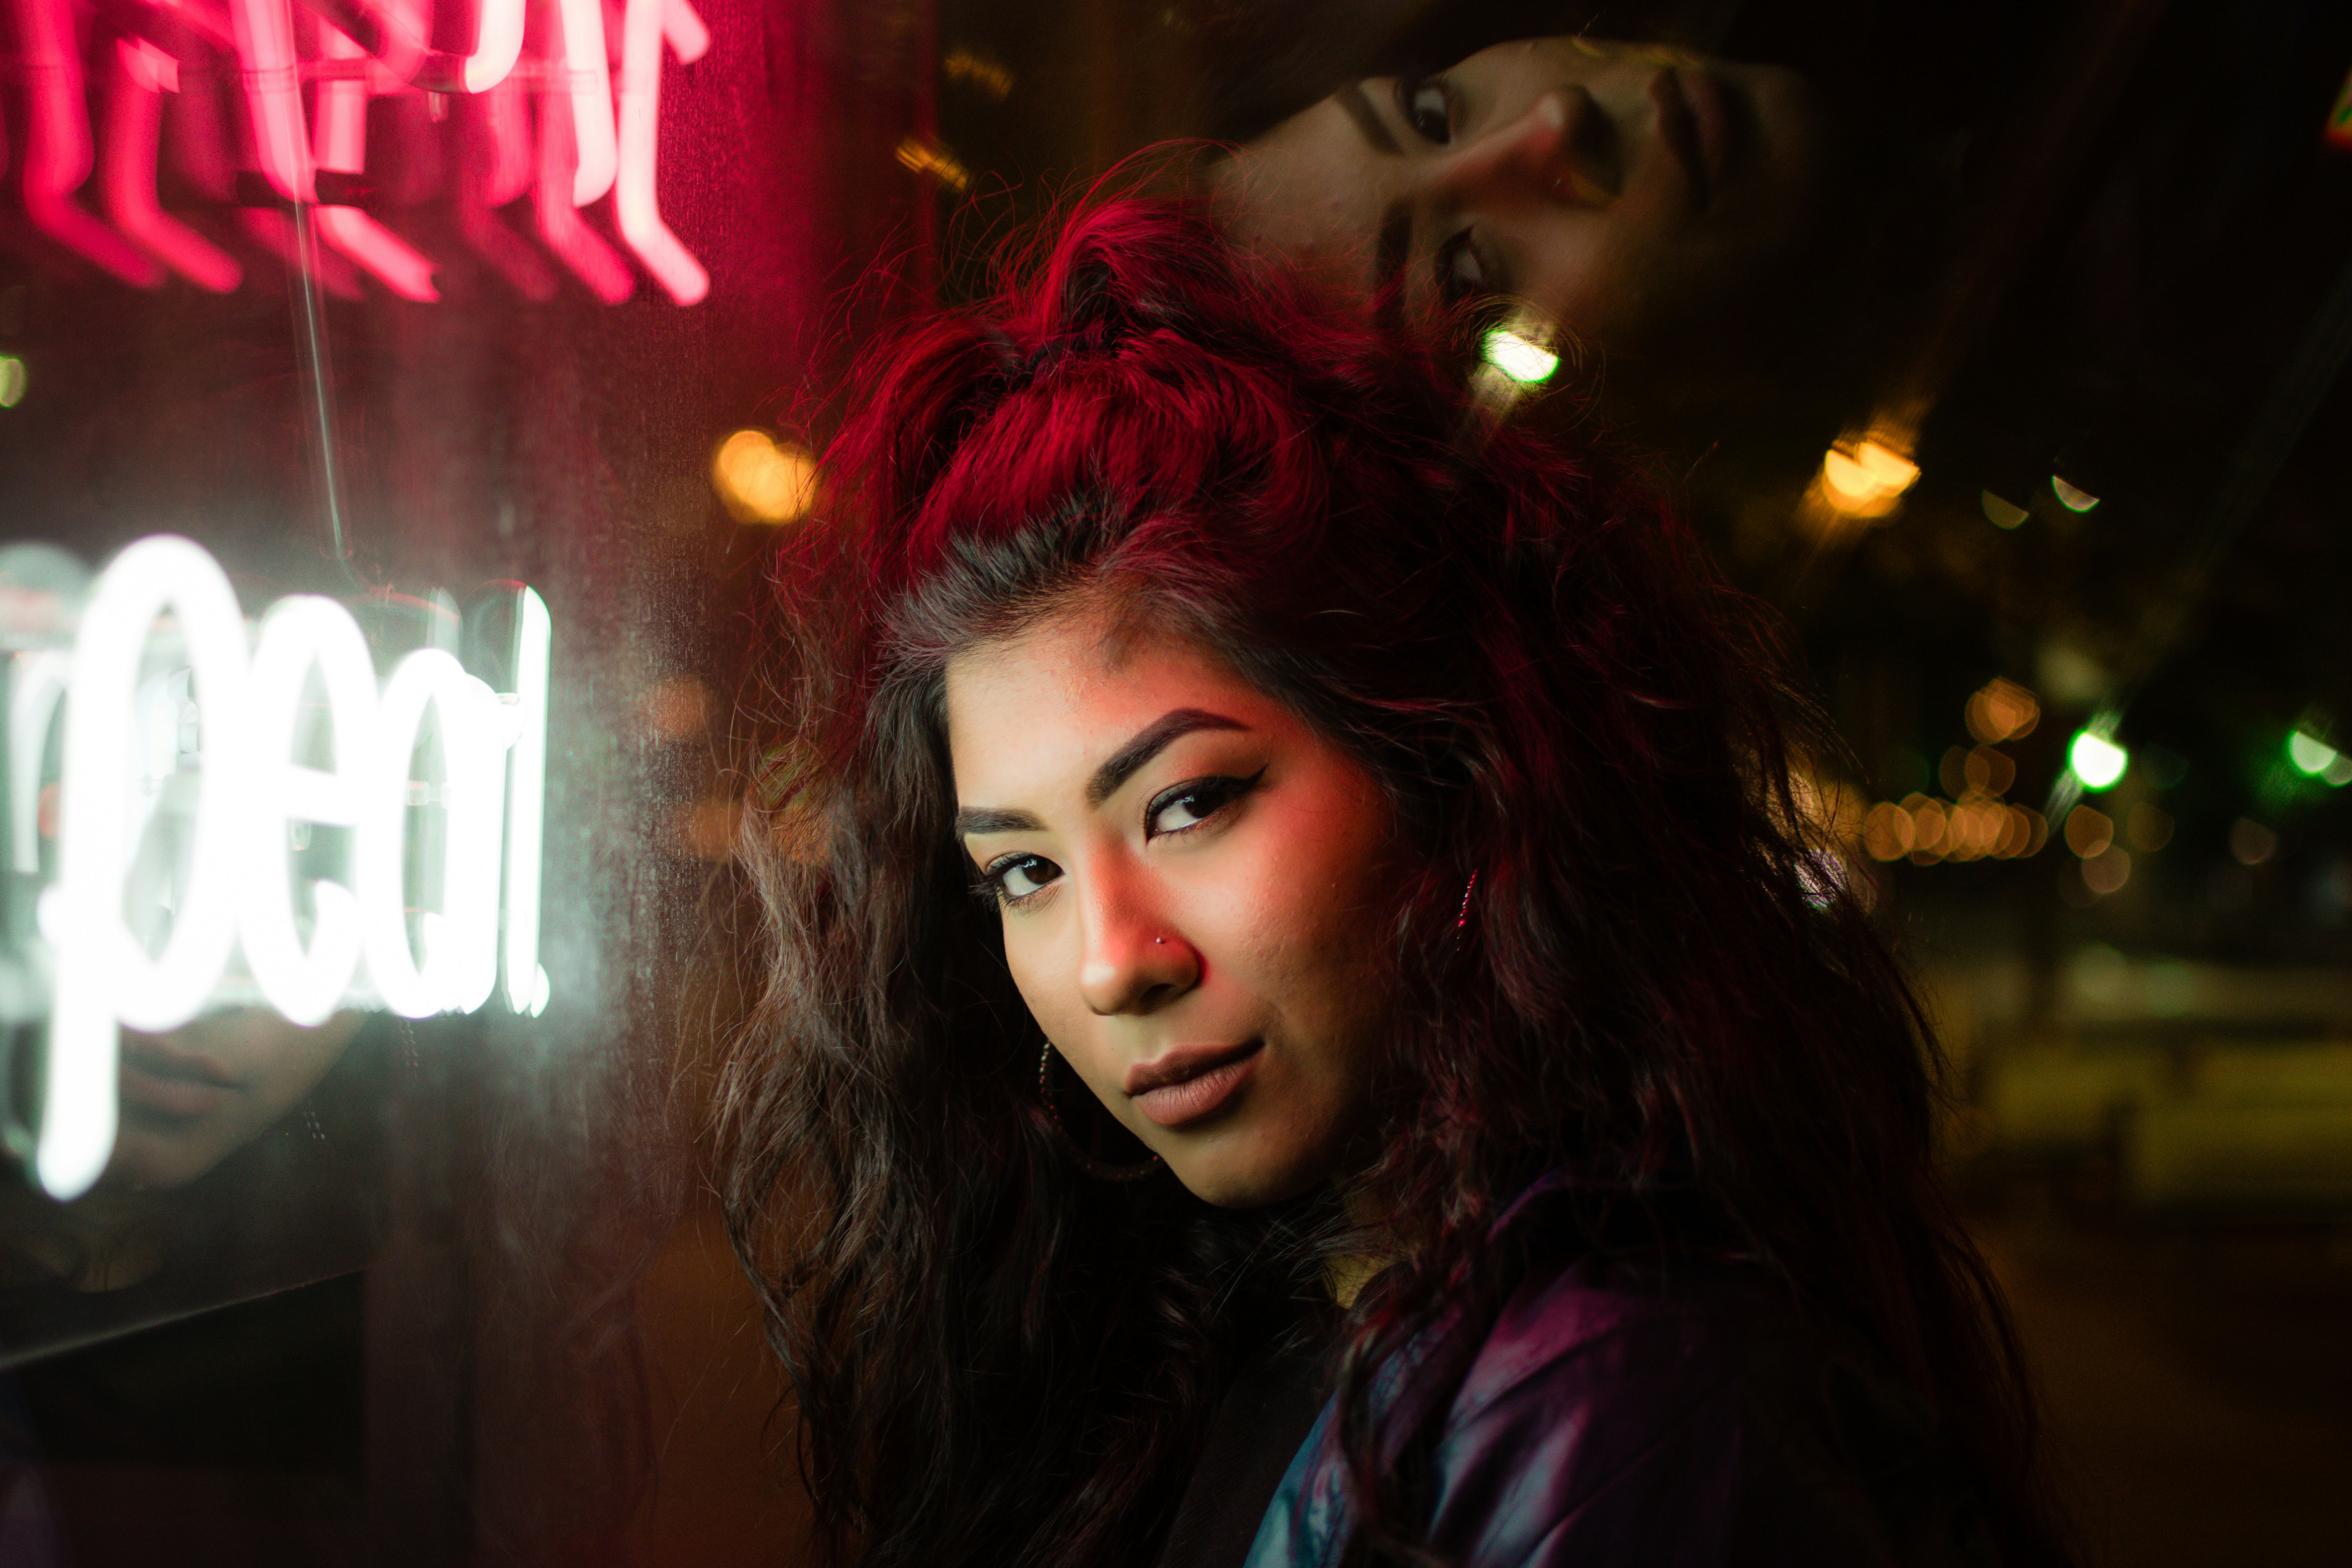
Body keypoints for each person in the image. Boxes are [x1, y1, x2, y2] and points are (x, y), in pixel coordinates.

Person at [718, 198, 2070, 1566]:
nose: (1110, 960)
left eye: (1188, 804)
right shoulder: (1214, 1327)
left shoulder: (1615, 1402)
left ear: (1453, 773)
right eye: (1021, 871)